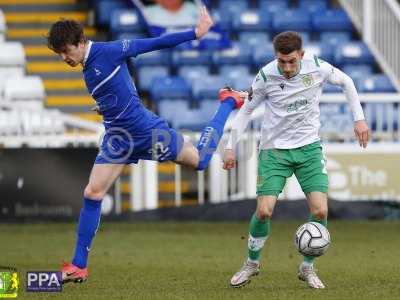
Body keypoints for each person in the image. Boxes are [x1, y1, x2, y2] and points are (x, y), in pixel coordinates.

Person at [46, 7, 245, 284]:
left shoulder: (110, 50)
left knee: (199, 160)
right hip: (118, 138)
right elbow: (118, 87)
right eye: (60, 55)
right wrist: (106, 107)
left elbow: (153, 43)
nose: (65, 58)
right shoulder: (87, 66)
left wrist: (195, 33)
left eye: (67, 51)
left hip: (146, 132)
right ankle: (79, 265)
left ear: (80, 42)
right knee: (92, 193)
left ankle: (228, 101)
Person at [223, 31, 370, 289]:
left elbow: (347, 82)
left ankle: (307, 267)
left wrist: (359, 119)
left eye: (292, 61)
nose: (287, 67)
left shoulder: (318, 67)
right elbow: (245, 111)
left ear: (301, 55)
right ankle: (251, 263)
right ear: (276, 57)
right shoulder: (266, 75)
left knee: (320, 210)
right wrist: (230, 147)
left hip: (309, 149)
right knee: (264, 210)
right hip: (274, 151)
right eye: (282, 61)